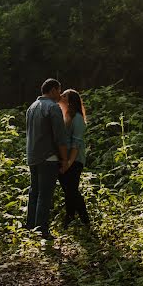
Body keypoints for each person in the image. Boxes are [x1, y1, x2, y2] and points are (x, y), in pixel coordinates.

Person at [25, 78, 68, 239]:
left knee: (34, 192)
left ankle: (30, 226)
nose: (60, 94)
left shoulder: (31, 107)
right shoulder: (53, 107)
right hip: (48, 157)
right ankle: (42, 230)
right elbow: (60, 137)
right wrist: (64, 159)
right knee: (45, 194)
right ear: (52, 90)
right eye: (59, 90)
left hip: (33, 156)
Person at [58, 89, 90, 228]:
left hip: (75, 160)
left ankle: (85, 220)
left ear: (70, 101)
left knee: (72, 190)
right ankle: (69, 218)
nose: (61, 96)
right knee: (68, 190)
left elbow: (76, 143)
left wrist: (69, 162)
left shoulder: (77, 118)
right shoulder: (64, 115)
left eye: (64, 95)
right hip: (65, 159)